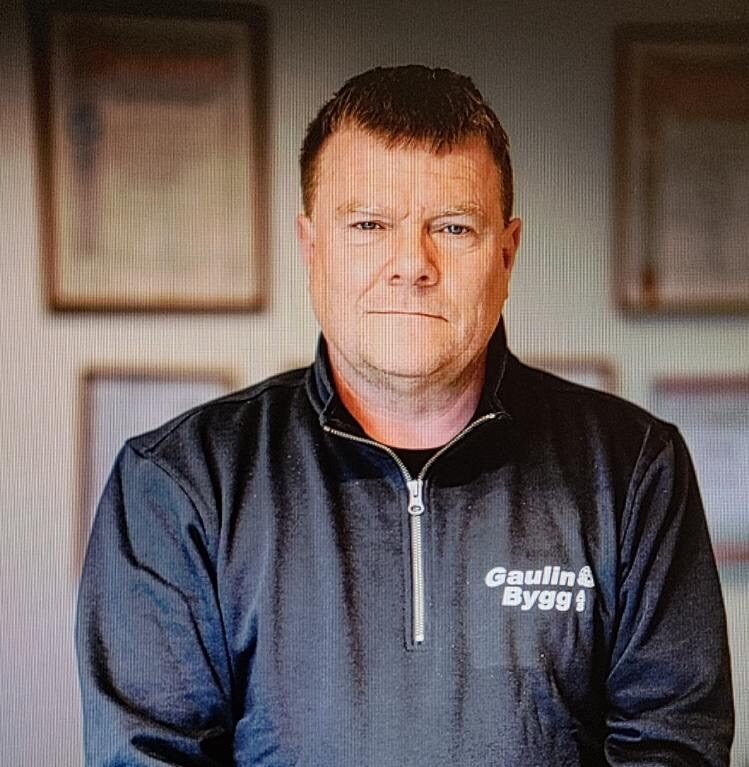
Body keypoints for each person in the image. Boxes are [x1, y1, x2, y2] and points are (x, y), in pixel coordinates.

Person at [76, 65, 734, 765]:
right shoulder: (178, 483)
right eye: (368, 224)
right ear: (311, 248)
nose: (411, 264)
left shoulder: (632, 469)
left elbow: (673, 746)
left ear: (506, 254)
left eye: (452, 227)